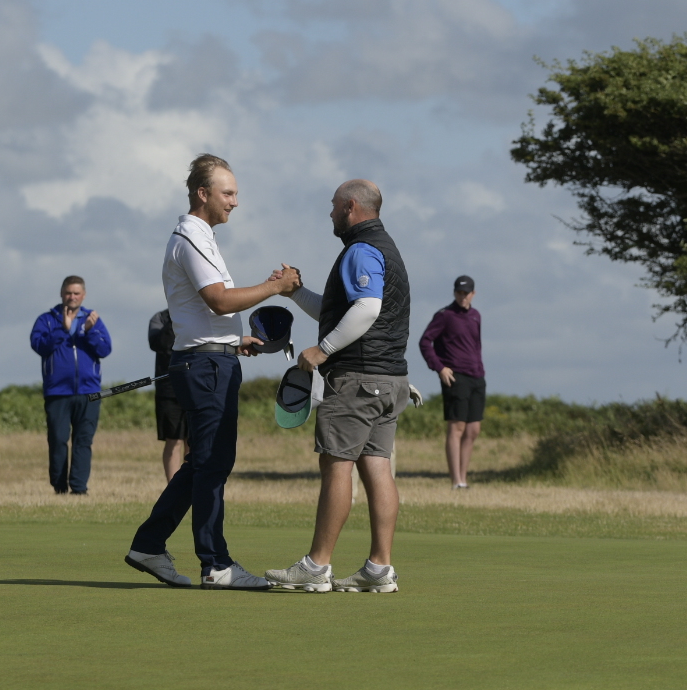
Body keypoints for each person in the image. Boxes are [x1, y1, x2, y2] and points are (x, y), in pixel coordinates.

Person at [125, 154, 301, 590]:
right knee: (213, 463)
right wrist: (275, 287)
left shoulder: (199, 237)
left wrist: (233, 340)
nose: (235, 202)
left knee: (203, 461)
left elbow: (206, 312)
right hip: (205, 367)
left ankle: (149, 544)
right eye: (228, 193)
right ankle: (216, 564)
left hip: (211, 358)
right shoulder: (190, 237)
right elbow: (219, 300)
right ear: (203, 194)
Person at [266, 179, 411, 594]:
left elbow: (367, 309)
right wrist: (296, 294)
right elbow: (344, 313)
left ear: (351, 207)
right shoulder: (386, 248)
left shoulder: (360, 250)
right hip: (389, 379)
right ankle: (379, 570)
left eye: (333, 206)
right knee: (377, 467)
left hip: (358, 380)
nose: (329, 213)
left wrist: (322, 350)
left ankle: (316, 567)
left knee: (336, 464)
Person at [30, 277, 112, 495]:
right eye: (68, 293)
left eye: (76, 293)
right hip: (57, 392)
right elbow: (39, 345)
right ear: (61, 293)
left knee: (83, 441)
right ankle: (59, 487)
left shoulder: (92, 319)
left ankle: (79, 488)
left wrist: (88, 331)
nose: (72, 297)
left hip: (89, 392)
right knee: (57, 440)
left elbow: (105, 350)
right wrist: (63, 330)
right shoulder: (47, 320)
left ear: (83, 295)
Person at [419, 274, 483, 489]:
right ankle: (457, 481)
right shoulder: (445, 315)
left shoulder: (476, 316)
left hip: (477, 376)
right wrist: (440, 368)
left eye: (466, 293)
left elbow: (475, 346)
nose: (462, 296)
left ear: (473, 294)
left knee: (473, 429)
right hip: (456, 376)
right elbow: (425, 341)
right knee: (457, 427)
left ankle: (463, 477)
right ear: (454, 292)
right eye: (459, 292)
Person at [148, 309, 187, 481]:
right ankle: (173, 487)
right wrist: (175, 319)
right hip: (168, 389)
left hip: (196, 385)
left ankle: (190, 485)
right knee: (174, 440)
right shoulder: (160, 318)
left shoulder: (198, 312)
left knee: (193, 441)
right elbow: (158, 344)